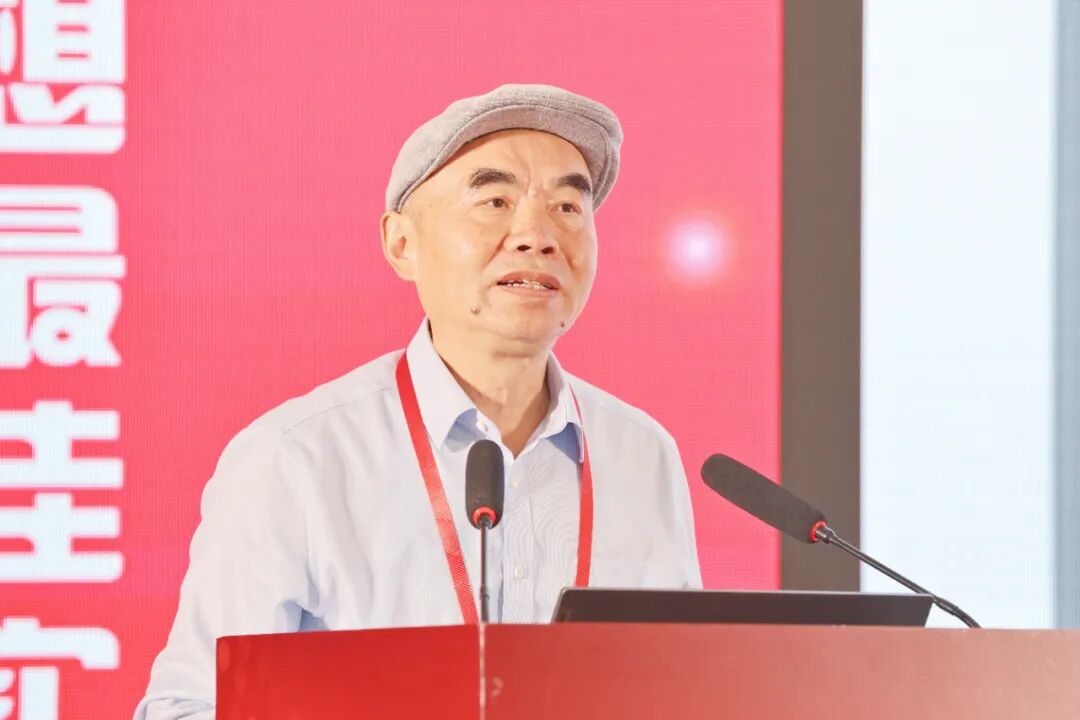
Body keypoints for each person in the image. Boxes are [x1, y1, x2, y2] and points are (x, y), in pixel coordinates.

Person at [133, 83, 701, 719]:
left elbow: (682, 690)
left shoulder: (642, 454)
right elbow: (187, 707)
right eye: (495, 200)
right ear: (402, 244)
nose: (537, 235)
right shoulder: (294, 458)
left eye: (568, 206)